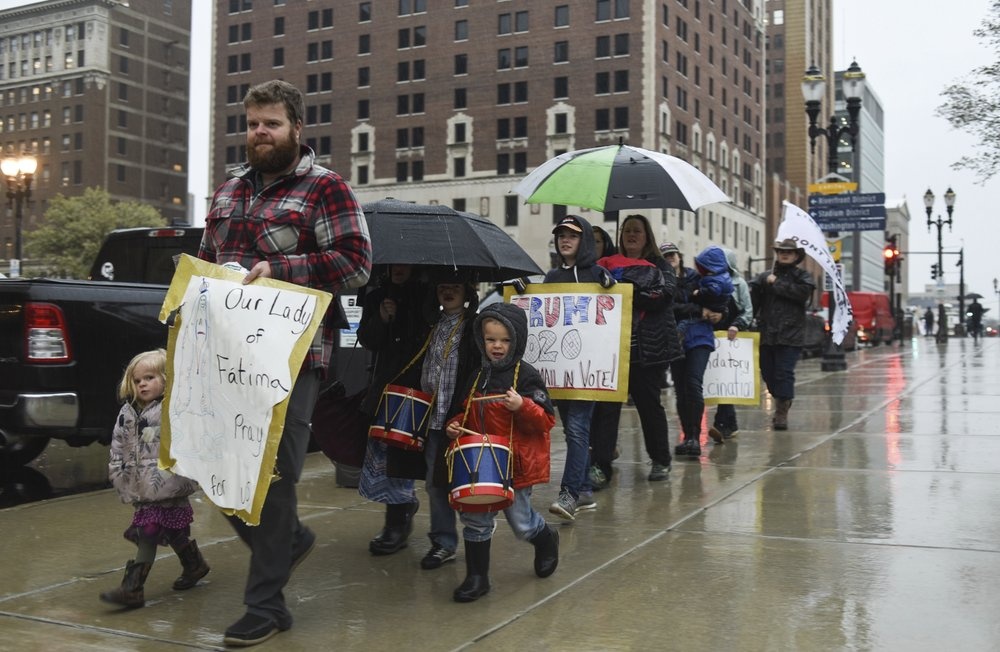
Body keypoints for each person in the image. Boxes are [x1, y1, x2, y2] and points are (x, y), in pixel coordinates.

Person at [199, 79, 372, 647]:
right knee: (215, 468)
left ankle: (265, 605)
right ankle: (289, 540)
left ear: (297, 129)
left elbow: (355, 264)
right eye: (252, 124)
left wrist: (284, 269)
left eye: (270, 124)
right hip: (227, 357)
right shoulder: (226, 193)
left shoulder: (326, 189)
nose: (259, 134)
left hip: (294, 356)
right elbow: (206, 263)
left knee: (272, 477)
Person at [444, 303, 560, 602]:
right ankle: (477, 577)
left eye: (505, 340)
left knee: (520, 522)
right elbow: (463, 413)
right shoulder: (476, 377)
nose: (497, 346)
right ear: (481, 340)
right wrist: (455, 427)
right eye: (491, 339)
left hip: (515, 465)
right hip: (479, 463)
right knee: (476, 518)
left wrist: (523, 406)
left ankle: (545, 538)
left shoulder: (527, 377)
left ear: (517, 341)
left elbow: (546, 421)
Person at [100, 349, 208, 609]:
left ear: (167, 379)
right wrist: (117, 471)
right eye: (137, 381)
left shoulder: (172, 409)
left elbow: (189, 439)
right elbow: (118, 446)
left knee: (147, 532)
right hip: (142, 488)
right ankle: (195, 565)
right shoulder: (127, 413)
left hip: (167, 485)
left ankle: (133, 589)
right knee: (173, 533)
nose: (142, 384)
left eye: (149, 377)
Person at [592, 214, 682, 482]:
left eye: (637, 231)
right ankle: (601, 467)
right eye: (627, 230)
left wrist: (625, 289)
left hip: (648, 350)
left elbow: (664, 296)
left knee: (649, 406)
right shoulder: (606, 265)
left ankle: (660, 460)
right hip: (612, 349)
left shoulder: (661, 266)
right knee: (606, 410)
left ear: (647, 236)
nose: (631, 235)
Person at [357, 265, 431, 555]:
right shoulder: (377, 296)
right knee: (386, 454)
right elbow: (368, 339)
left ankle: (397, 521)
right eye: (394, 266)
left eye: (404, 266)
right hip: (385, 388)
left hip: (415, 388)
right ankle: (400, 510)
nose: (399, 270)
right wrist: (383, 318)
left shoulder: (426, 296)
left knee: (402, 455)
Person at [543, 215, 613, 519]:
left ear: (583, 239)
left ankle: (569, 494)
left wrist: (611, 286)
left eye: (572, 235)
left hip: (589, 369)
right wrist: (523, 292)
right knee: (574, 432)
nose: (565, 240)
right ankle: (584, 490)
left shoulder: (599, 274)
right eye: (561, 235)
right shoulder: (551, 277)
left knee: (576, 428)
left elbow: (616, 313)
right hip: (561, 369)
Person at [418, 274, 481, 571]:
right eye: (443, 286)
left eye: (455, 286)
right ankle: (443, 542)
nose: (448, 291)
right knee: (435, 484)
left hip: (462, 421)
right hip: (434, 420)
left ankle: (478, 538)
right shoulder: (432, 325)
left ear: (467, 291)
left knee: (469, 484)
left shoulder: (475, 326)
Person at [671, 245, 733, 457]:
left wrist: (720, 314)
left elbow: (721, 303)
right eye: (665, 256)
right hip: (676, 340)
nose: (670, 259)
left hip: (700, 338)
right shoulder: (662, 279)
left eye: (672, 254)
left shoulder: (698, 276)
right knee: (681, 389)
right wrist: (699, 310)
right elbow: (669, 307)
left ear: (680, 256)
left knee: (693, 383)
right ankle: (688, 436)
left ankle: (695, 438)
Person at [749, 239, 815, 431]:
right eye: (781, 251)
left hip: (791, 335)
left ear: (796, 256)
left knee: (784, 373)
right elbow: (753, 304)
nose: (784, 254)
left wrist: (777, 283)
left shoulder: (803, 277)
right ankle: (782, 398)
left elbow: (802, 294)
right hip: (767, 334)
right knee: (768, 374)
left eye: (789, 252)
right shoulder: (764, 277)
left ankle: (781, 412)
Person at [709, 248, 753, 443]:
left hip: (732, 337)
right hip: (711, 336)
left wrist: (737, 325)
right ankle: (730, 424)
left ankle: (721, 423)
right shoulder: (707, 281)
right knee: (717, 380)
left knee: (726, 381)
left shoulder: (739, 284)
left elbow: (747, 311)